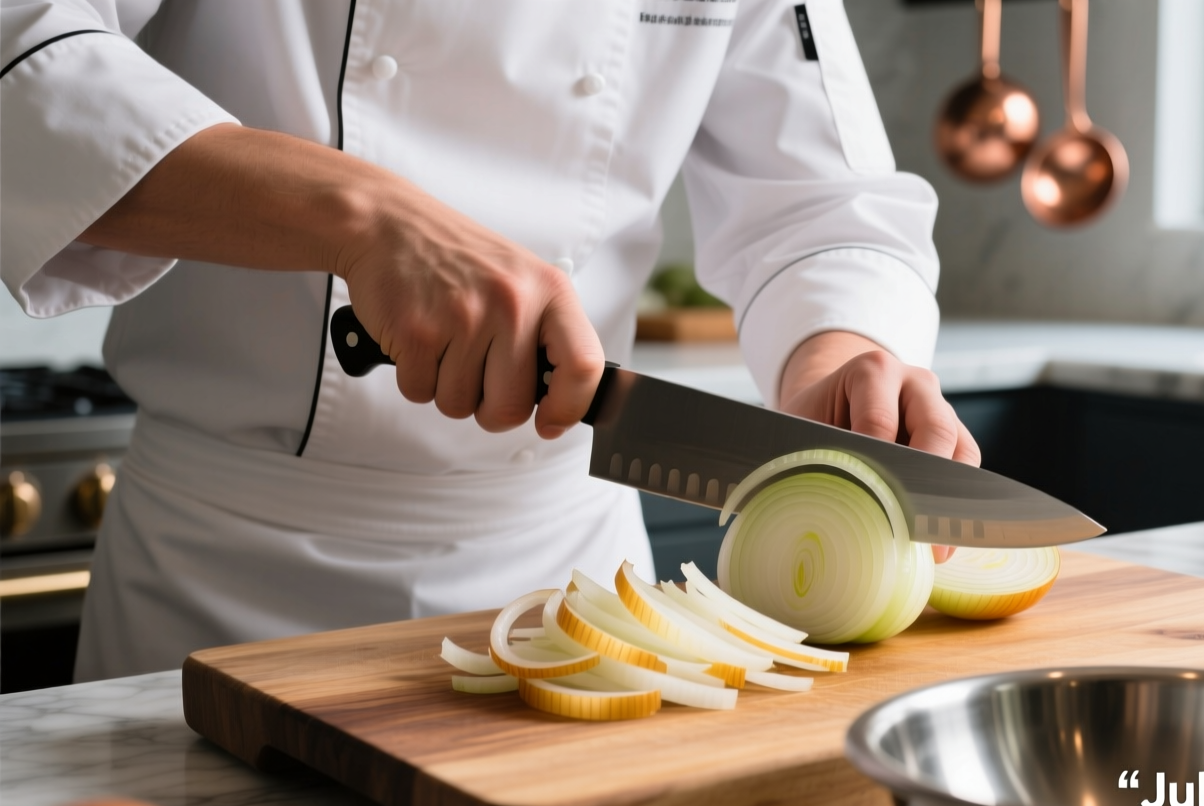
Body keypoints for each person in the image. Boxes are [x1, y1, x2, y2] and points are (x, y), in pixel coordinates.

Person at [1, 1, 979, 681]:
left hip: (577, 601)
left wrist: (839, 349)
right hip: (217, 588)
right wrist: (363, 212)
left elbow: (818, 203)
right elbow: (26, 54)